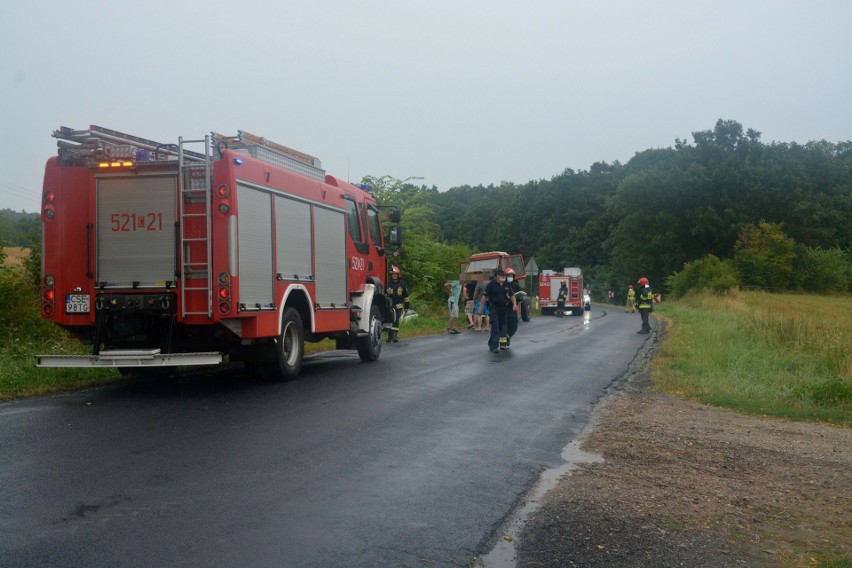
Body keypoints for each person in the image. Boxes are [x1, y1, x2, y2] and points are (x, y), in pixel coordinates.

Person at [480, 268, 517, 353]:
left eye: (504, 275)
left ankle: (490, 342)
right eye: (501, 275)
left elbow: (512, 295)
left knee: (500, 328)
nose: (503, 277)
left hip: (504, 309)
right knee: (495, 326)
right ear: (496, 276)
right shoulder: (491, 285)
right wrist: (481, 309)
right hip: (494, 308)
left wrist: (514, 304)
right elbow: (484, 297)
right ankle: (495, 346)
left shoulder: (507, 284)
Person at [387, 266, 410, 343]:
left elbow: (406, 296)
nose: (393, 275)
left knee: (396, 319)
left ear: (398, 275)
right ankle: (389, 336)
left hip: (399, 305)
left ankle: (394, 336)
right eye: (392, 274)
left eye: (395, 274)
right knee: (389, 320)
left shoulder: (402, 284)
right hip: (389, 305)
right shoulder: (388, 283)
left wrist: (406, 307)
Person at [505, 268, 522, 344]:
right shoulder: (503, 284)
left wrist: (519, 298)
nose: (510, 276)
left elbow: (520, 295)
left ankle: (508, 337)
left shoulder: (515, 285)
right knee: (504, 325)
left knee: (514, 326)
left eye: (511, 275)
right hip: (504, 308)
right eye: (508, 275)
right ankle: (503, 340)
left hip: (513, 308)